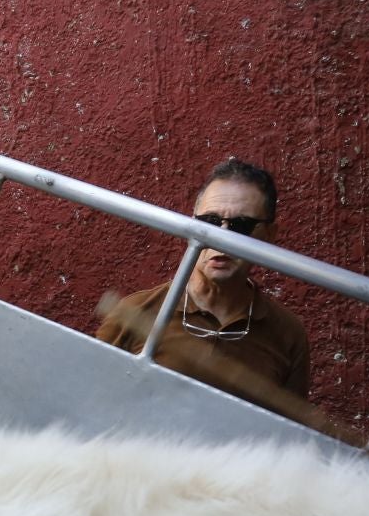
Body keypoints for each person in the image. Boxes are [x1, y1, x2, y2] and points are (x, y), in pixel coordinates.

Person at [97, 158, 313, 417]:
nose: (221, 238)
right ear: (192, 225)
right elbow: (91, 404)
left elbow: (289, 438)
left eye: (240, 225)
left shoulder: (287, 334)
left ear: (269, 235)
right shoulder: (136, 311)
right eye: (210, 221)